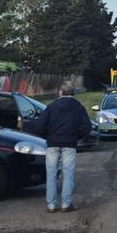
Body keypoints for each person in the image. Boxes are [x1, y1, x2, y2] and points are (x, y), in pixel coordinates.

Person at [35, 82, 92, 213]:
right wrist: (76, 137)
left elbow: (39, 126)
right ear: (73, 92)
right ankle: (66, 204)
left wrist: (48, 136)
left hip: (52, 144)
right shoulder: (78, 107)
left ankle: (51, 205)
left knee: (51, 174)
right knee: (68, 173)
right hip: (70, 144)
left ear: (60, 91)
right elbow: (87, 127)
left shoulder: (51, 107)